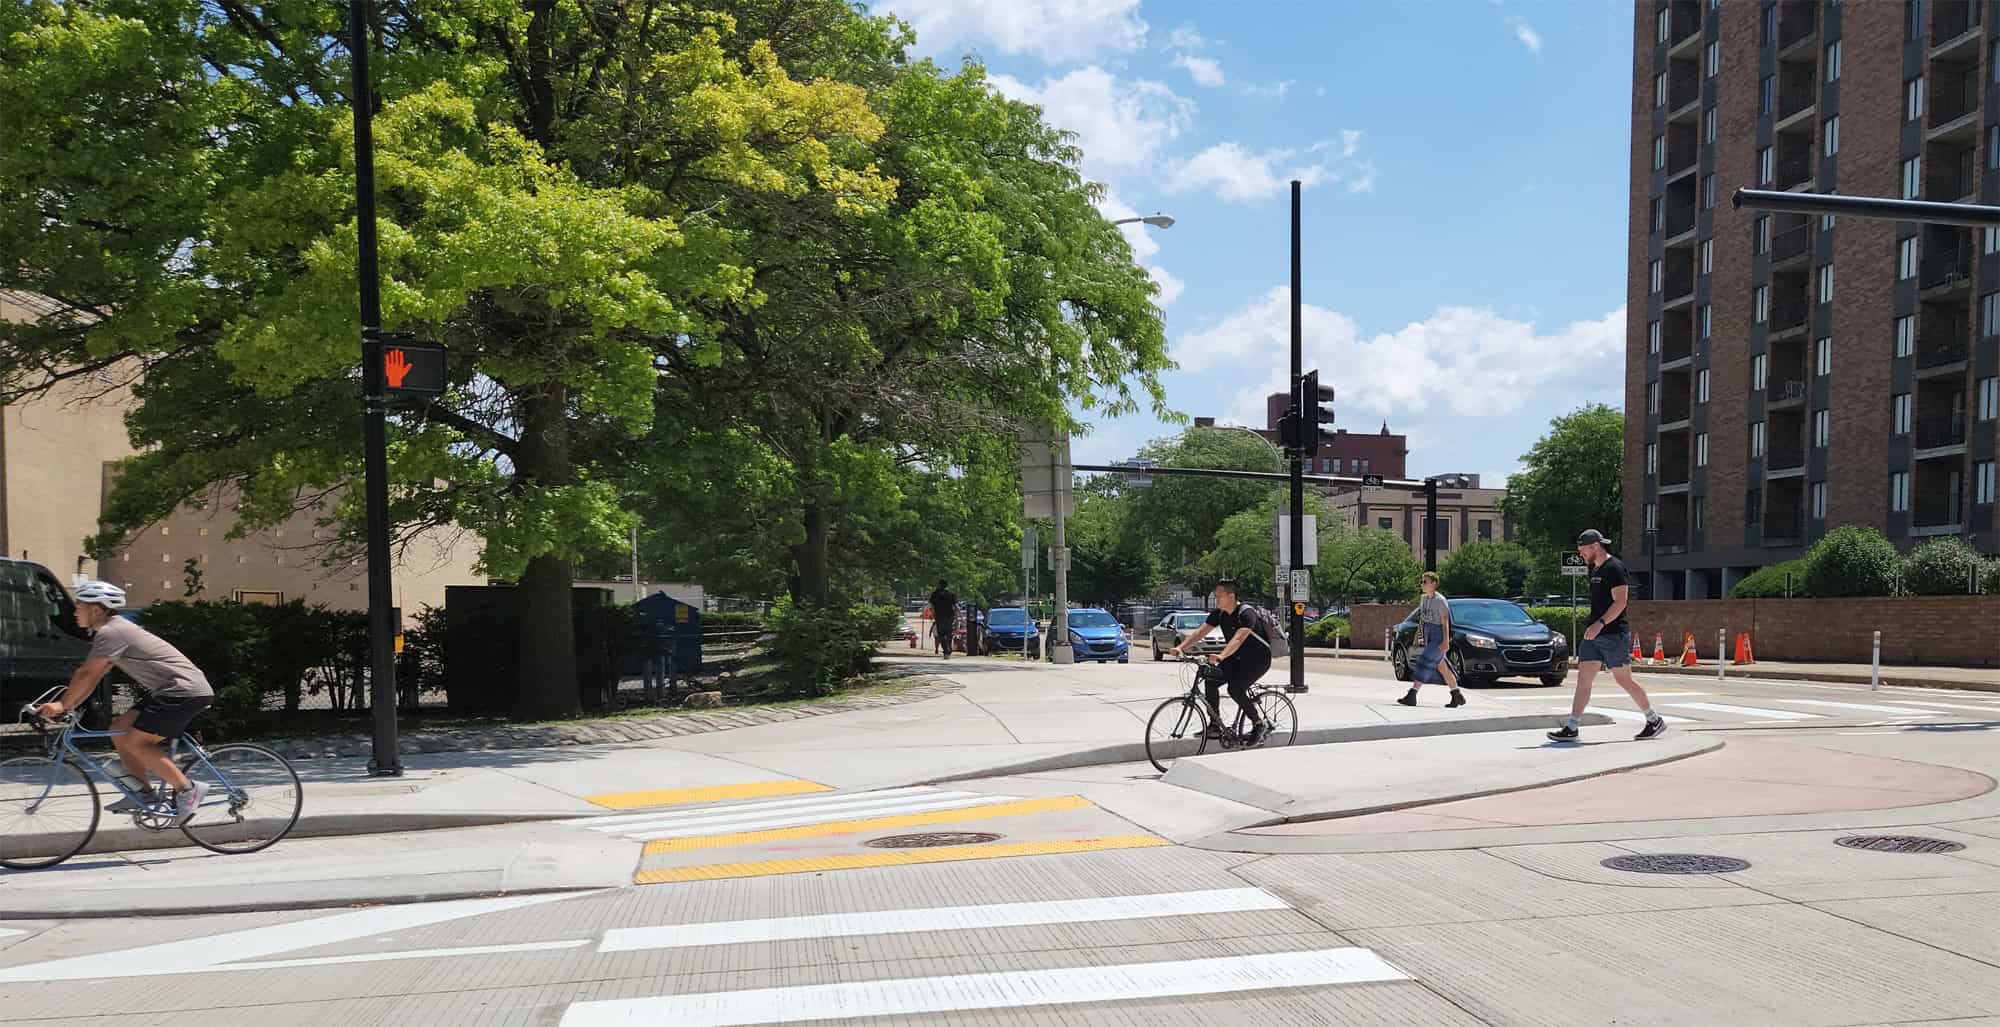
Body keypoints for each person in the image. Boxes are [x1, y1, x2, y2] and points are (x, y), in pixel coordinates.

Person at [32, 582, 212, 821]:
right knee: (118, 730)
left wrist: (63, 705)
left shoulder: (111, 632)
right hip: (169, 690)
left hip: (182, 691)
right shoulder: (113, 632)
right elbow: (93, 677)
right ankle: (143, 793)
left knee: (137, 743)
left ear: (96, 609)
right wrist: (70, 705)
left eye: (79, 606)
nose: (75, 611)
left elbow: (86, 673)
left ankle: (188, 790)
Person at [1549, 530, 1667, 743]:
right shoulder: (1595, 569)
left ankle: (1653, 719)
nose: (1580, 554)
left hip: (1613, 635)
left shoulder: (1615, 568)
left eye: (1582, 549)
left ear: (1594, 546)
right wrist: (1594, 627)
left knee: (1624, 680)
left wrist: (1600, 624)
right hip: (1594, 635)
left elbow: (1621, 602)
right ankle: (1572, 726)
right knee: (1583, 681)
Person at [1167, 580, 1272, 744]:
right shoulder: (1220, 614)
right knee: (1210, 680)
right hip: (1236, 658)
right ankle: (1215, 725)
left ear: (1231, 596)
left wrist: (1221, 656)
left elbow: (1239, 638)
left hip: (1257, 660)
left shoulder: (1246, 613)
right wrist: (1181, 647)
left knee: (1235, 689)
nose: (1216, 599)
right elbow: (1200, 632)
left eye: (1219, 596)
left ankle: (1258, 724)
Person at [1399, 572, 1466, 708]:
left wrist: (1446, 641)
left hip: (1438, 635)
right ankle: (1456, 695)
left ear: (1433, 584)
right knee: (1443, 667)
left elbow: (1445, 622)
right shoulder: (1424, 599)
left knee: (1425, 661)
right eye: (1422, 581)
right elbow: (1422, 619)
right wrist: (1418, 635)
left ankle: (1412, 694)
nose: (1422, 584)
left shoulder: (1440, 600)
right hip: (1429, 633)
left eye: (1425, 582)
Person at [927, 579, 958, 659]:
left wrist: (931, 614)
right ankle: (949, 648)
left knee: (941, 634)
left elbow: (931, 606)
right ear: (946, 585)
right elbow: (956, 606)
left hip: (939, 616)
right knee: (949, 632)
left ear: (939, 585)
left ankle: (946, 651)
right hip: (949, 616)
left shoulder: (935, 594)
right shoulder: (951, 594)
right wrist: (959, 617)